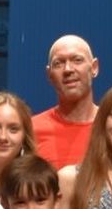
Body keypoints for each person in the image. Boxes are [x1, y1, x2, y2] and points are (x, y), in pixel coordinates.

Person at [32, 35, 100, 169]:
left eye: (77, 60)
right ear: (49, 75)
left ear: (94, 67)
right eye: (58, 63)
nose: (68, 69)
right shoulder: (31, 130)